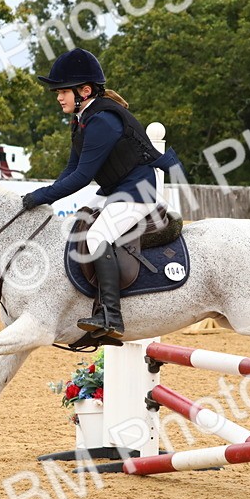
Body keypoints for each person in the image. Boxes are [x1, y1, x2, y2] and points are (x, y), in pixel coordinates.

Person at [20, 48, 181, 340]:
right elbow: (71, 168)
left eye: (62, 91)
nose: (58, 97)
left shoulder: (103, 121)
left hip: (137, 191)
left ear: (84, 90)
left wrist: (43, 196)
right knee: (79, 222)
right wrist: (43, 194)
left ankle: (111, 315)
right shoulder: (83, 118)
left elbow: (82, 178)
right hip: (114, 189)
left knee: (96, 237)